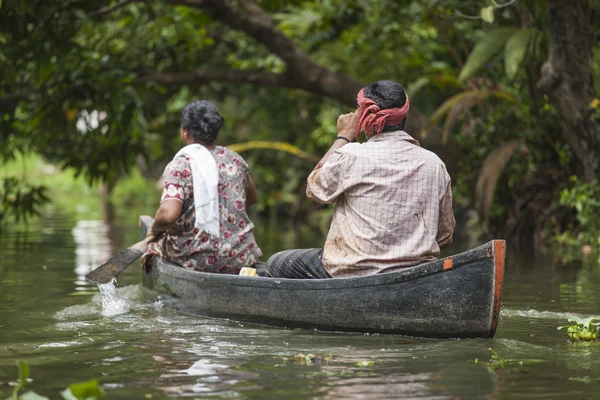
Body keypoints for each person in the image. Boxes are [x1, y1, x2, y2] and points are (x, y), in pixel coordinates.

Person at [266, 80, 455, 279]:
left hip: (352, 272)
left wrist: (344, 136)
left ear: (363, 116)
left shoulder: (351, 155)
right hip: (416, 275)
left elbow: (314, 188)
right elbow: (444, 235)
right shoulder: (434, 164)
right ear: (404, 115)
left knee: (277, 264)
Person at [142, 100, 262, 274]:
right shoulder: (235, 160)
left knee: (155, 248)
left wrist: (154, 230)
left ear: (185, 132)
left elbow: (168, 216)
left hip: (196, 259)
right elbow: (251, 198)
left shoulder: (180, 165)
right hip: (242, 256)